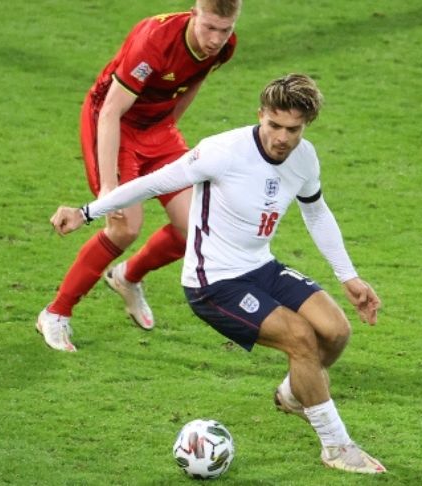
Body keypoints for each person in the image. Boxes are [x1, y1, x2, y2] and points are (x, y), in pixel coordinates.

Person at [48, 74, 387, 474]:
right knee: (300, 339)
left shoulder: (305, 157)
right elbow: (153, 182)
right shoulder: (223, 151)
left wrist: (348, 276)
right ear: (260, 114)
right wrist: (87, 212)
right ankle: (336, 446)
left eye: (292, 130)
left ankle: (294, 393)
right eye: (273, 125)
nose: (281, 137)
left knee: (335, 330)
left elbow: (315, 211)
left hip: (261, 265)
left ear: (305, 125)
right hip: (214, 282)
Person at [37, 0, 242, 351]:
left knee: (195, 227)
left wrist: (168, 131)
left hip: (157, 129)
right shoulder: (155, 41)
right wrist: (109, 187)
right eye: (209, 27)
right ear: (193, 13)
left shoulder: (224, 46)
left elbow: (193, 83)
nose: (215, 39)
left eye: (224, 30)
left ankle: (127, 276)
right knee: (124, 225)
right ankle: (55, 313)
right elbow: (111, 112)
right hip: (115, 125)